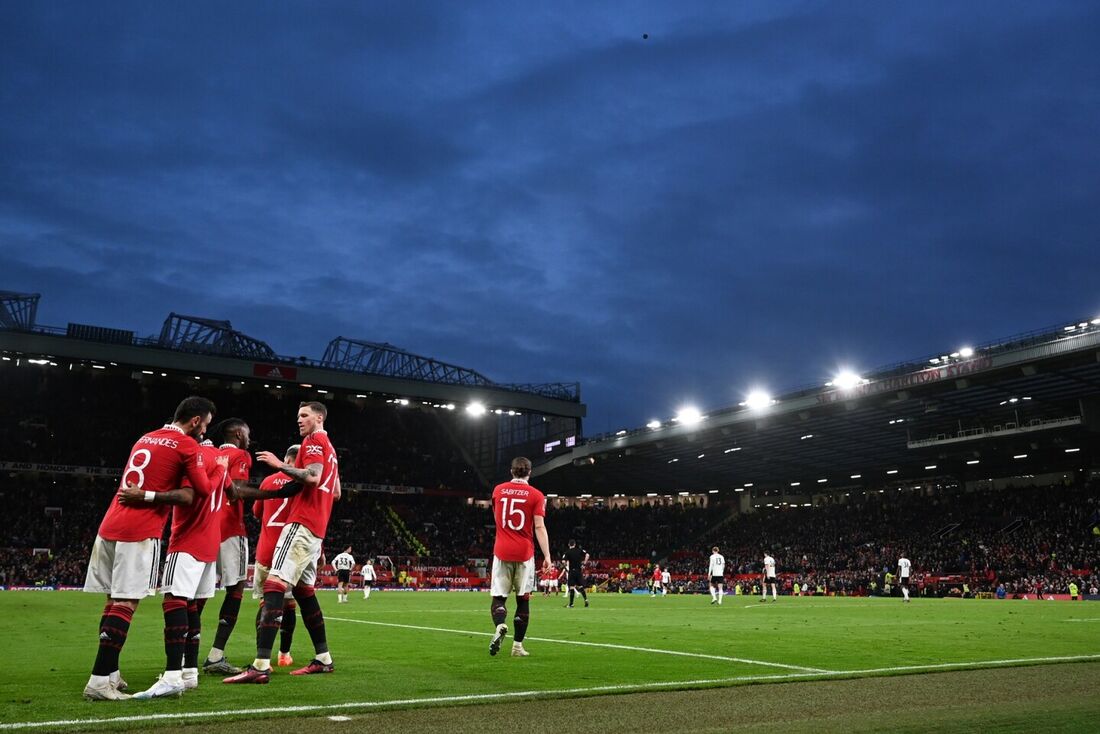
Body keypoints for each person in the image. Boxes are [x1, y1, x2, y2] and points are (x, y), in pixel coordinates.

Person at [81, 396, 220, 701]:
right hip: (140, 529)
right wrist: (211, 462)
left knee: (112, 602)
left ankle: (112, 673)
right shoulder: (186, 445)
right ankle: (98, 681)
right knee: (126, 603)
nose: (204, 432)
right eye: (205, 425)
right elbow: (202, 490)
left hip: (109, 524)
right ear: (195, 421)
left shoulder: (145, 437)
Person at [224, 401, 341, 683]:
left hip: (302, 522)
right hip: (318, 527)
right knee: (304, 592)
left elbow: (312, 477)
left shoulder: (313, 441)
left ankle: (261, 665)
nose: (299, 420)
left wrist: (278, 465)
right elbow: (335, 492)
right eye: (298, 416)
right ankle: (323, 658)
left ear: (319, 417)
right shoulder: (331, 449)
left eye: (304, 415)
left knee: (274, 585)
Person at [126, 437, 229, 698]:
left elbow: (190, 494)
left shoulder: (194, 457)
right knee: (191, 605)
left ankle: (172, 675)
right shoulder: (218, 457)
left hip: (187, 539)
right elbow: (227, 489)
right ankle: (189, 672)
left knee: (174, 600)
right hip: (210, 542)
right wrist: (221, 469)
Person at [203, 419, 254, 675]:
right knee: (235, 589)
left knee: (197, 593)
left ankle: (184, 658)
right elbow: (239, 491)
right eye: (247, 433)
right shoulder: (240, 454)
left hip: (205, 528)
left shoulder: (209, 453)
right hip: (231, 530)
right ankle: (215, 655)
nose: (249, 437)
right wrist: (276, 491)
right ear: (237, 433)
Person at [488, 457, 552, 658]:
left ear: (511, 471)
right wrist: (547, 556)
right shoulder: (536, 495)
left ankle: (500, 625)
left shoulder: (498, 490)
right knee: (523, 601)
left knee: (499, 598)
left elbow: (496, 517)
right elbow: (539, 527)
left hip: (502, 551)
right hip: (525, 554)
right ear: (530, 472)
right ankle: (517, 646)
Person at [250, 445, 301, 667]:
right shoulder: (301, 485)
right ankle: (284, 654)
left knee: (265, 603)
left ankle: (262, 657)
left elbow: (256, 513)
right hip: (288, 553)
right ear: (291, 461)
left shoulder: (268, 481)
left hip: (265, 550)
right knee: (289, 604)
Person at [562, 539, 589, 608]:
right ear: (575, 544)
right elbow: (587, 555)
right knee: (580, 586)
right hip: (578, 571)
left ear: (569, 545)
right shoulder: (579, 550)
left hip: (572, 571)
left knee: (571, 587)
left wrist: (565, 567)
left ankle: (571, 604)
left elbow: (563, 561)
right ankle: (586, 599)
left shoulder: (567, 552)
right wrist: (584, 564)